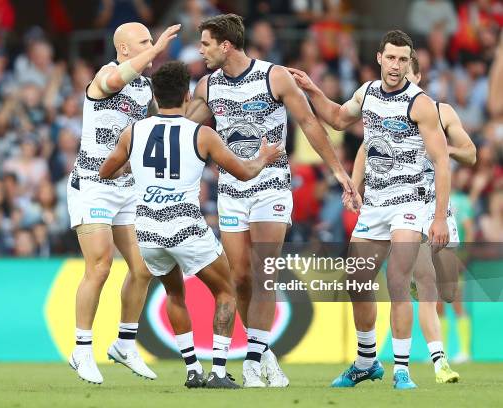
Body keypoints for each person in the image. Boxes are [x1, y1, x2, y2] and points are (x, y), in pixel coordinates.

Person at [186, 14, 354, 388]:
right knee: (241, 277)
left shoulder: (273, 77)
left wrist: (338, 172)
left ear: (225, 45)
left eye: (206, 43)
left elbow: (310, 124)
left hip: (271, 188)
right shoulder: (207, 86)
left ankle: (249, 366)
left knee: (264, 274)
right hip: (230, 190)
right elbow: (180, 127)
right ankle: (266, 355)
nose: (201, 50)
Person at [100, 61, 284, 388]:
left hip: (148, 232)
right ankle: (218, 372)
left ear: (154, 96)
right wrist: (264, 159)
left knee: (174, 293)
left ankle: (192, 370)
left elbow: (106, 171)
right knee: (227, 290)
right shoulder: (202, 134)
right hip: (185, 228)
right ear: (187, 95)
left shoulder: (134, 132)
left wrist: (138, 171)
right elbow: (243, 172)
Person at [288, 29, 451, 390]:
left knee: (396, 280)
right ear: (379, 57)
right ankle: (366, 362)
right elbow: (337, 119)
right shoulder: (367, 93)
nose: (396, 65)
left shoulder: (420, 103)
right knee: (357, 280)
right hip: (375, 204)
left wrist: (438, 217)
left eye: (403, 60)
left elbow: (442, 161)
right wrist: (313, 89)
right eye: (390, 58)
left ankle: (403, 369)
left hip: (409, 202)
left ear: (410, 63)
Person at [348, 50, 476, 384]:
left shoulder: (439, 111)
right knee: (420, 283)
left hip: (441, 207)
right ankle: (438, 363)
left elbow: (472, 153)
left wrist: (438, 152)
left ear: (418, 77)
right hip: (410, 206)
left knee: (448, 291)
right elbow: (366, 149)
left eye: (412, 76)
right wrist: (355, 183)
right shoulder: (387, 111)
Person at [66, 22, 180, 385]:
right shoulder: (106, 74)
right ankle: (82, 348)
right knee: (99, 266)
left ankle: (125, 344)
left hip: (128, 187)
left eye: (152, 41)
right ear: (125, 48)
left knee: (144, 267)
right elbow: (115, 83)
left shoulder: (146, 87)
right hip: (94, 184)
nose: (151, 47)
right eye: (145, 42)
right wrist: (159, 47)